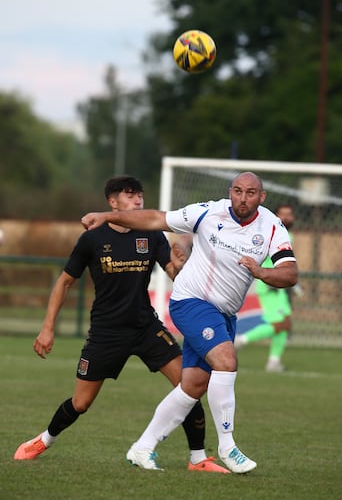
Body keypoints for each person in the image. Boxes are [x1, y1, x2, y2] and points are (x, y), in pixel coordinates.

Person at [80, 172, 298, 474]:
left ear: (261, 197)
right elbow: (156, 218)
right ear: (230, 192)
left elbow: (290, 273)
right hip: (190, 302)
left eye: (250, 193)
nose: (242, 198)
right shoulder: (208, 213)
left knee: (193, 385)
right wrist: (106, 217)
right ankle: (227, 446)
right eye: (237, 191)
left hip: (224, 314)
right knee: (226, 360)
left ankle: (142, 448)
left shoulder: (272, 226)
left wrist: (261, 272)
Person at [14, 176, 229, 474]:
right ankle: (45, 439)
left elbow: (174, 275)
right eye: (130, 196)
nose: (138, 200)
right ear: (112, 203)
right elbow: (64, 282)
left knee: (189, 385)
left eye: (139, 195)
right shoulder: (92, 238)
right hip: (106, 332)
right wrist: (48, 327)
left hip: (145, 327)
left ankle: (198, 458)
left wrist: (180, 264)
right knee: (81, 403)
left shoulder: (151, 235)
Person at [234, 204, 298, 372]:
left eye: (289, 214)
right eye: (282, 214)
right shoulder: (276, 232)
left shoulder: (286, 234)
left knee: (285, 324)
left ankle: (274, 361)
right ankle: (242, 340)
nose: (286, 218)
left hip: (278, 286)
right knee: (280, 324)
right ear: (276, 216)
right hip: (271, 286)